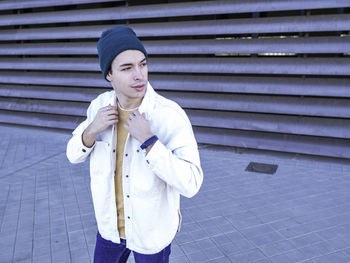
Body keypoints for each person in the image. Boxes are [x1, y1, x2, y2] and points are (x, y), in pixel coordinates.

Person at [66, 26, 203, 263]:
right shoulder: (99, 108)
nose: (139, 74)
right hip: (109, 229)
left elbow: (192, 183)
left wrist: (150, 142)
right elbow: (72, 155)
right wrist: (92, 129)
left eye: (142, 64)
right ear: (109, 74)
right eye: (127, 68)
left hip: (150, 234)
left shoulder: (168, 115)